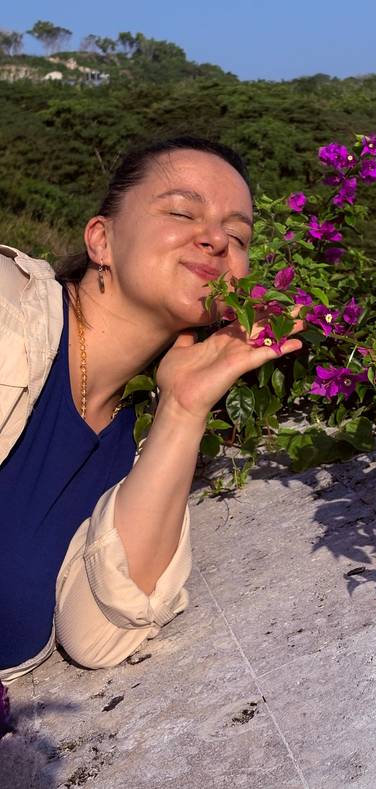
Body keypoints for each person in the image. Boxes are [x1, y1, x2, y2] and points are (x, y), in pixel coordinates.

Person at [0, 137, 304, 683]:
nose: (216, 240)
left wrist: (183, 409)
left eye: (238, 236)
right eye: (183, 212)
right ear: (102, 239)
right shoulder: (9, 309)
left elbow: (99, 634)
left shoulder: (136, 434)